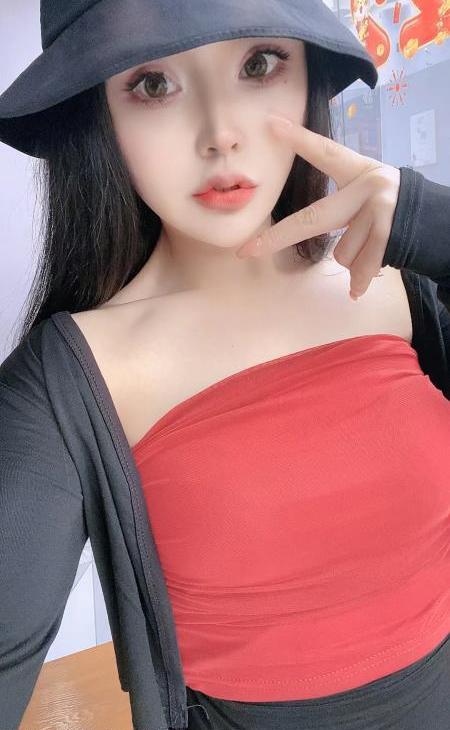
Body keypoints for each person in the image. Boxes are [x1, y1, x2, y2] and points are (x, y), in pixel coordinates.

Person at [0, 2, 449, 730]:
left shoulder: (402, 289)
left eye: (259, 64)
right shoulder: (67, 384)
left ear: (306, 77)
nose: (220, 134)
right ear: (100, 115)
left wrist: (434, 225)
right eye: (152, 84)